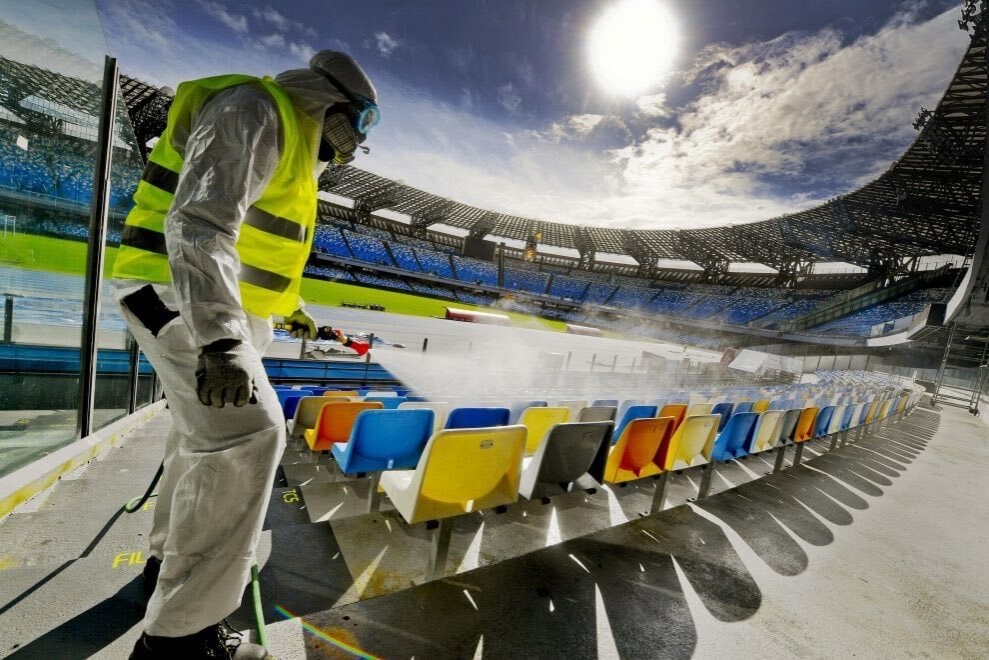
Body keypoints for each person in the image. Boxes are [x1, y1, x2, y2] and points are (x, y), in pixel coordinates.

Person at [110, 50, 379, 659]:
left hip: (219, 307)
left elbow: (258, 253)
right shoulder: (257, 110)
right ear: (330, 99)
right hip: (181, 299)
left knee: (199, 439)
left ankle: (167, 569)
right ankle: (180, 640)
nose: (358, 144)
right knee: (249, 435)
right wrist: (222, 339)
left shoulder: (287, 141)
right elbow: (200, 224)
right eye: (362, 123)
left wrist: (296, 310)